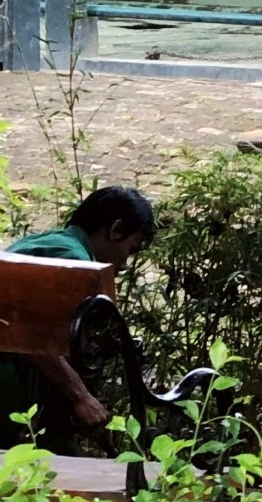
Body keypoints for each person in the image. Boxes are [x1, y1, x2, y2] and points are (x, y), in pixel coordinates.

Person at [0, 186, 156, 445]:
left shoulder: (49, 242)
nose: (125, 264)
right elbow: (30, 333)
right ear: (115, 229)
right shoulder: (75, 261)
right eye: (130, 250)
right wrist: (80, 397)